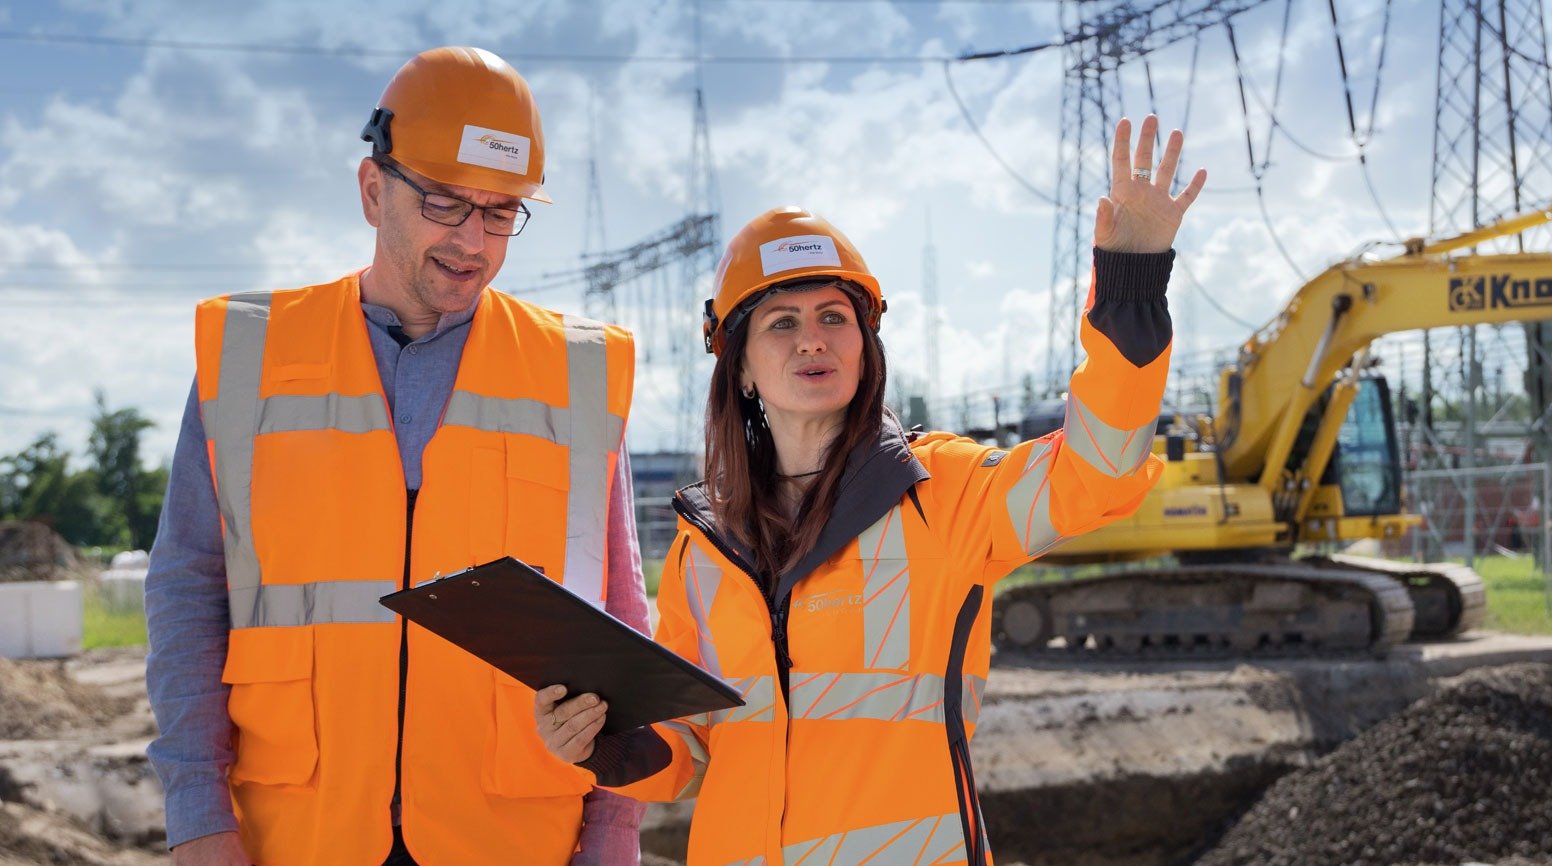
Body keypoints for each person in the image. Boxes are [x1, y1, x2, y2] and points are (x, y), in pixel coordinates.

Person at [533, 115, 1205, 864]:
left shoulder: (942, 492)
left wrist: (1130, 283)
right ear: (743, 368)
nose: (813, 338)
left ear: (865, 343)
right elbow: (692, 749)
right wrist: (607, 743)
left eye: (833, 317)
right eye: (782, 323)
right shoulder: (704, 543)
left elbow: (1098, 472)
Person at [143, 47, 650, 866]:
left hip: (514, 836)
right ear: (374, 190)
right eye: (447, 203)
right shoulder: (250, 358)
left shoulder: (578, 376)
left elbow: (619, 616)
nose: (473, 242)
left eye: (500, 213)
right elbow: (188, 591)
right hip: (298, 834)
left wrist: (614, 828)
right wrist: (198, 813)